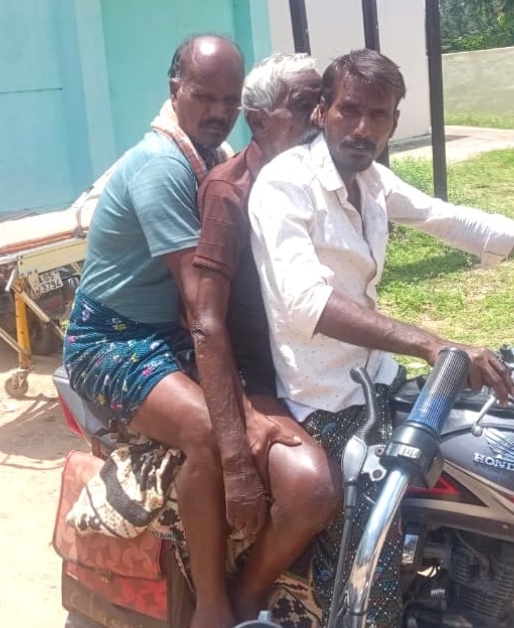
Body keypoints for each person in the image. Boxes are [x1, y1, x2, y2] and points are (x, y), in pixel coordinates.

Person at [247, 48, 514, 628]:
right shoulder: (285, 186)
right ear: (322, 111)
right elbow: (308, 304)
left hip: (379, 382)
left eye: (379, 115)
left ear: (394, 122)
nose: (362, 127)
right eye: (349, 110)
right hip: (322, 399)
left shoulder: (370, 182)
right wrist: (433, 344)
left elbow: (452, 219)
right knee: (370, 544)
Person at [64, 36, 326, 628]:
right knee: (210, 430)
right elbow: (198, 305)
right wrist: (240, 420)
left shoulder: (210, 154)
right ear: (173, 91)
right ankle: (214, 605)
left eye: (228, 100)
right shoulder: (162, 167)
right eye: (203, 96)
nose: (216, 111)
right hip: (112, 339)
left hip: (168, 335)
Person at [190, 53, 336, 622]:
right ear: (258, 119)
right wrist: (239, 434)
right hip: (260, 374)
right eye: (305, 106)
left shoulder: (326, 179)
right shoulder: (231, 191)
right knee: (311, 490)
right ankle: (248, 592)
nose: (320, 119)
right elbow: (208, 321)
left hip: (317, 363)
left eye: (323, 103)